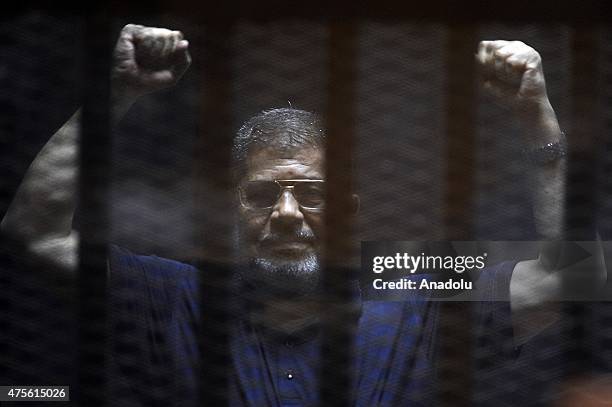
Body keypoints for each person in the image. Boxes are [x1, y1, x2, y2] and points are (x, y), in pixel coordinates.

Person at [1, 24, 598, 406]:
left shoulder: (417, 301)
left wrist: (534, 117)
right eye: (262, 196)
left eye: (310, 194)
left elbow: (572, 279)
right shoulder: (173, 297)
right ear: (234, 210)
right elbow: (34, 233)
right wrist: (117, 92)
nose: (287, 214)